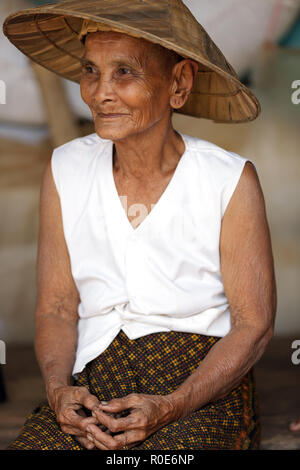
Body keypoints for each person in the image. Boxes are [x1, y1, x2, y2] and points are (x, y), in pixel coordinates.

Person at [3, 0, 276, 450]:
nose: (100, 92)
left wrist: (172, 405)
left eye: (124, 72)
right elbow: (56, 306)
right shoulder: (65, 168)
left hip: (199, 380)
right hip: (96, 376)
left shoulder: (228, 180)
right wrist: (58, 390)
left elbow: (254, 324)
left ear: (179, 83)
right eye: (91, 71)